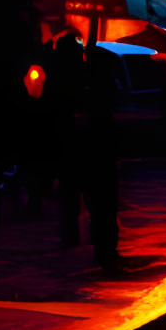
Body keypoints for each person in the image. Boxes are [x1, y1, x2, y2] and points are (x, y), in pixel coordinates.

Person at [50, 29, 123, 271]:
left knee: (78, 198)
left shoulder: (60, 78)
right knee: (101, 203)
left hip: (76, 149)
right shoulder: (94, 75)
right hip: (94, 149)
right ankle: (104, 251)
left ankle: (74, 241)